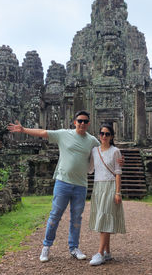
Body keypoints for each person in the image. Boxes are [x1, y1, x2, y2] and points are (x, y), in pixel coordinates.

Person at [7, 110, 99, 262]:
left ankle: (74, 247)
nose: (82, 123)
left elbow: (105, 148)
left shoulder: (92, 140)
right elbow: (43, 132)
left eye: (85, 121)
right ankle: (46, 246)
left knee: (76, 218)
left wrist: (118, 160)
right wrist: (23, 130)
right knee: (55, 215)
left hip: (81, 185)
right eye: (80, 121)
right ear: (74, 122)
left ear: (88, 124)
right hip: (63, 182)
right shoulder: (63, 134)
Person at [87, 123, 125, 266]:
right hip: (98, 187)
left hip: (110, 187)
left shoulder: (116, 151)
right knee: (102, 216)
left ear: (112, 136)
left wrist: (117, 192)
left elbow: (117, 173)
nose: (104, 136)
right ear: (99, 135)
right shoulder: (94, 151)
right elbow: (89, 168)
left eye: (107, 134)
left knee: (105, 217)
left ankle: (100, 253)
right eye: (102, 133)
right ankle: (107, 251)